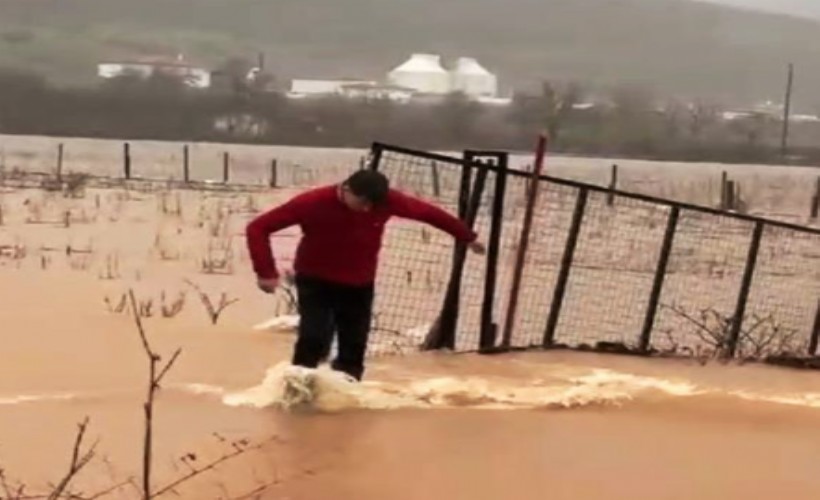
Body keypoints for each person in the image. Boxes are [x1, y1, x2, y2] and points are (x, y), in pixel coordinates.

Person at [245, 169, 485, 381]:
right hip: (316, 280)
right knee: (314, 338)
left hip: (359, 283)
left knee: (354, 344)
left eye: (374, 204)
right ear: (346, 189)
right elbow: (258, 227)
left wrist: (467, 236)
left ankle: (345, 397)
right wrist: (265, 272)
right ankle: (299, 390)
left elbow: (429, 213)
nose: (368, 209)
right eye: (363, 202)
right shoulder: (312, 202)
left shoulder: (388, 201)